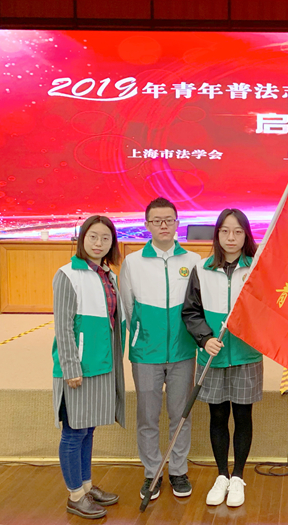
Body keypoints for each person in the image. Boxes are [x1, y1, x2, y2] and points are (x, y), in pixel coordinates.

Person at [120, 197, 201, 500]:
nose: (163, 225)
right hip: (146, 354)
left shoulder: (193, 260)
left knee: (181, 415)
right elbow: (128, 307)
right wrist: (143, 334)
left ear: (177, 223)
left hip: (183, 352)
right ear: (147, 225)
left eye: (169, 219)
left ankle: (178, 471)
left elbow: (197, 305)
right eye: (157, 220)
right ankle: (152, 472)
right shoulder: (133, 263)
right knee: (147, 416)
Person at [181, 208, 262, 508]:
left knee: (242, 416)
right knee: (217, 416)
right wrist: (205, 339)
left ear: (246, 235)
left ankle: (238, 476)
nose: (231, 237)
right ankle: (222, 475)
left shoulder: (257, 268)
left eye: (238, 231)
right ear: (217, 235)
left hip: (245, 355)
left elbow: (268, 310)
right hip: (212, 356)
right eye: (225, 231)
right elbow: (191, 311)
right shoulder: (202, 269)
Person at [52, 215, 125, 519]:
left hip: (102, 363)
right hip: (79, 369)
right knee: (73, 432)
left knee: (87, 429)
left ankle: (86, 486)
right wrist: (71, 367)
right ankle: (74, 496)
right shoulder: (67, 274)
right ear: (82, 239)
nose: (99, 243)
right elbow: (63, 326)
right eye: (93, 236)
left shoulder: (108, 274)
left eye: (106, 238)